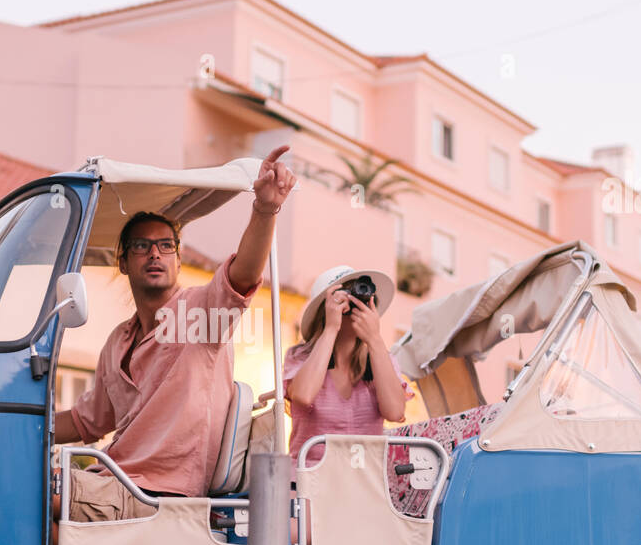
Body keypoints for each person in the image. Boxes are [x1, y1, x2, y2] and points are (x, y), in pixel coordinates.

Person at [51, 145, 297, 523]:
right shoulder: (118, 341)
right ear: (123, 261)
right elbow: (88, 421)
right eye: (142, 246)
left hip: (162, 493)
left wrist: (265, 209)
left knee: (41, 498)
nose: (155, 254)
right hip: (114, 478)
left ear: (178, 259)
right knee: (26, 487)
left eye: (166, 245)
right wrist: (26, 425)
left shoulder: (199, 313)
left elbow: (244, 275)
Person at [283, 265, 409, 474]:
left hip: (363, 484)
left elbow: (395, 411)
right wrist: (331, 328)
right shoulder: (300, 357)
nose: (357, 304)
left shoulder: (382, 360)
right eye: (348, 295)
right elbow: (303, 396)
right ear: (324, 308)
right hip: (310, 483)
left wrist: (375, 340)